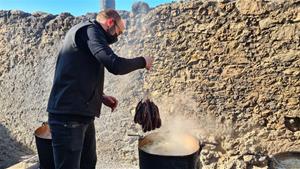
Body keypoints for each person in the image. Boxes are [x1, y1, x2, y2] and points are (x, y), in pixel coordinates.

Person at [47, 9, 154, 169]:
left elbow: (78, 73)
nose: (118, 36)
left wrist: (101, 96)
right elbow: (115, 64)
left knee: (88, 163)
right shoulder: (90, 30)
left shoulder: (90, 37)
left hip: (82, 116)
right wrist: (142, 61)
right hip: (68, 117)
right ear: (110, 22)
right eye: (119, 31)